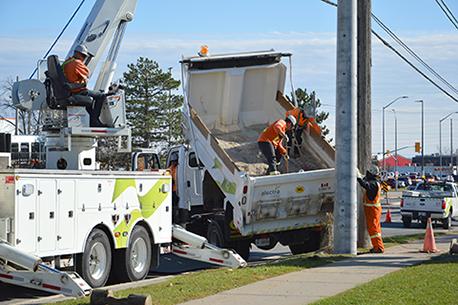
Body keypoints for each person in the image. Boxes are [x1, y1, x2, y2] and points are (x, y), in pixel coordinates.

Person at [62, 44, 107, 127]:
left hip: (70, 91)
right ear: (78, 54)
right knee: (101, 96)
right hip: (77, 90)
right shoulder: (77, 63)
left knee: (89, 102)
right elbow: (86, 73)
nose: (83, 59)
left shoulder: (66, 63)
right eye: (83, 56)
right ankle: (95, 121)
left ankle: (92, 121)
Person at [357, 164, 385, 253]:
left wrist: (358, 179)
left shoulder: (373, 183)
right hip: (372, 209)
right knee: (373, 228)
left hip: (373, 210)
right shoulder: (375, 181)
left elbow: (365, 185)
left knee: (374, 229)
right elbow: (365, 181)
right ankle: (376, 246)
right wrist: (360, 176)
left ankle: (379, 247)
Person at [167, 153, 179, 222]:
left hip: (177, 190)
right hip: (173, 191)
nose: (175, 162)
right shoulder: (170, 169)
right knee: (174, 206)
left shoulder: (177, 168)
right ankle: (174, 219)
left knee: (175, 206)